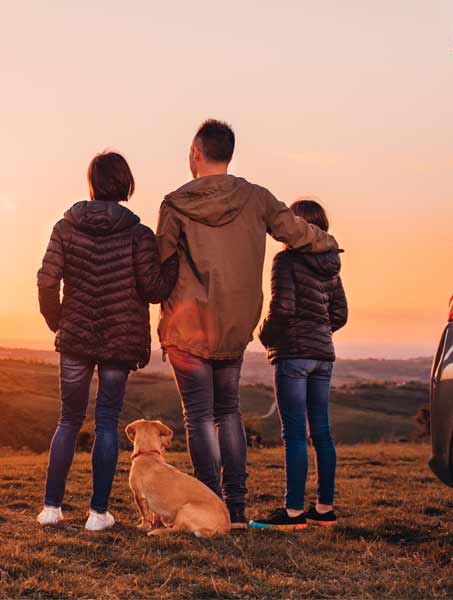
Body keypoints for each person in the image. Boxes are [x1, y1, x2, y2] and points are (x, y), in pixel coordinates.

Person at [156, 120, 339, 528]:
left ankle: (209, 504)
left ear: (195, 153)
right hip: (236, 325)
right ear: (230, 153)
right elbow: (296, 233)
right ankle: (235, 510)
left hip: (188, 329)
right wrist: (329, 244)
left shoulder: (175, 203)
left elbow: (160, 264)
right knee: (228, 412)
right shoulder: (257, 198)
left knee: (199, 417)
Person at [35, 151, 179, 531]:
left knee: (68, 419)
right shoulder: (138, 234)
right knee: (107, 421)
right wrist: (174, 261)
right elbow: (152, 289)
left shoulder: (65, 228)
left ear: (92, 183)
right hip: (119, 340)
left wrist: (60, 322)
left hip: (76, 339)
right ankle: (98, 514)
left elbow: (47, 281)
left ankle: (52, 508)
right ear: (126, 184)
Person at [249, 199, 347, 530]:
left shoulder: (286, 261)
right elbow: (340, 315)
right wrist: (318, 333)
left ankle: (292, 513)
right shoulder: (331, 265)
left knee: (294, 433)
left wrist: (264, 336)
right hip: (323, 355)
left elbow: (283, 309)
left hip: (293, 354)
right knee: (321, 431)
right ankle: (325, 509)